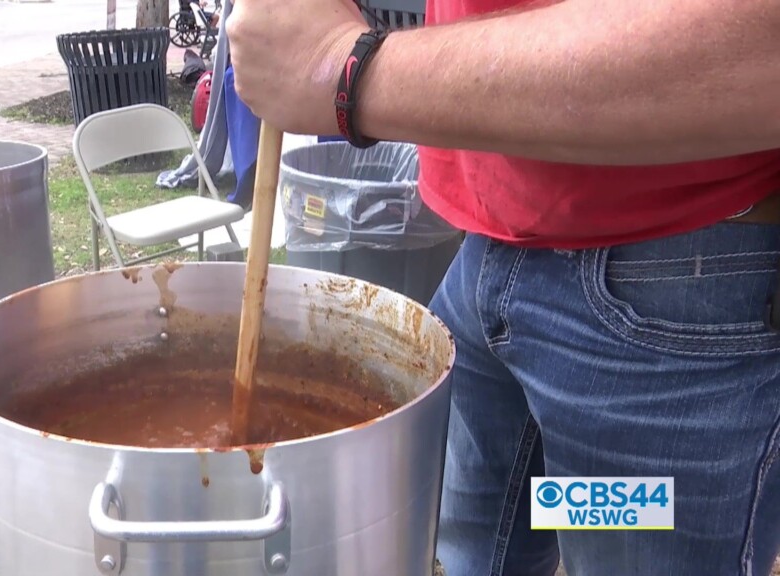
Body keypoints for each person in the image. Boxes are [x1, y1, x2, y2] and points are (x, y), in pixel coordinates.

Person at [226, 1, 780, 575]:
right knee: (488, 544)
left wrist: (346, 68)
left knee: (616, 534)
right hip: (486, 255)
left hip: (668, 300)